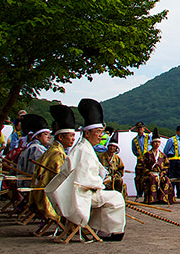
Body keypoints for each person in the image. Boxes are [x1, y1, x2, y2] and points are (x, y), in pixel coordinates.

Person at [45, 99, 126, 240]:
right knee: (116, 197)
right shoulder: (84, 150)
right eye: (97, 132)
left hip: (79, 191)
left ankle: (100, 228)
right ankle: (108, 231)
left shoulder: (84, 148)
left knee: (112, 196)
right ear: (87, 134)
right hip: (80, 194)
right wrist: (100, 184)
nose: (101, 135)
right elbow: (84, 179)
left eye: (102, 132)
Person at [29, 104, 78, 223]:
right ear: (61, 137)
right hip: (50, 195)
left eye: (74, 136)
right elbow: (60, 180)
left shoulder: (53, 150)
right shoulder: (57, 154)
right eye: (71, 136)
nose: (73, 139)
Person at [135, 133, 170, 204]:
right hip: (149, 174)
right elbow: (140, 166)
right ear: (152, 143)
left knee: (166, 180)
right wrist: (148, 172)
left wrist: (163, 172)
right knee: (153, 179)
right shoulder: (147, 155)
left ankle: (163, 199)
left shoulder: (162, 155)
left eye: (158, 142)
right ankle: (152, 199)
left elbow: (166, 165)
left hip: (159, 174)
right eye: (155, 142)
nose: (157, 144)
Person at [163, 126, 180, 199]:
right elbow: (166, 150)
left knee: (179, 177)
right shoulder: (171, 140)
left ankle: (179, 193)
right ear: (177, 132)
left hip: (179, 160)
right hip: (172, 159)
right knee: (171, 177)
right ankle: (171, 193)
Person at [101, 131, 127, 195]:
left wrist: (113, 177)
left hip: (113, 179)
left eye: (114, 146)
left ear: (116, 148)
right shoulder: (100, 156)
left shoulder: (117, 159)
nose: (112, 148)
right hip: (102, 178)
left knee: (119, 181)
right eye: (110, 146)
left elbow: (121, 170)